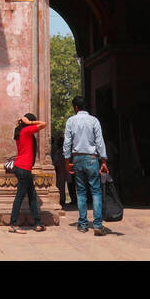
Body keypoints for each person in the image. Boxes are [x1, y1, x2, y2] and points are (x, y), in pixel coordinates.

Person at [62, 96, 111, 235]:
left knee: (81, 192)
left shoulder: (71, 121)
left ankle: (82, 224)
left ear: (76, 108)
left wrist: (67, 161)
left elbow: (67, 142)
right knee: (95, 191)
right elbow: (100, 142)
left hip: (77, 158)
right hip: (92, 158)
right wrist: (104, 161)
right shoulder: (94, 121)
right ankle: (97, 224)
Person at [9, 112, 46, 233]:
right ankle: (13, 224)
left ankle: (38, 223)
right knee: (20, 196)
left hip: (22, 167)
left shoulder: (19, 131)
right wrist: (30, 122)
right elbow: (43, 124)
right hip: (24, 168)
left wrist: (24, 121)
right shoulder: (26, 131)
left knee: (32, 195)